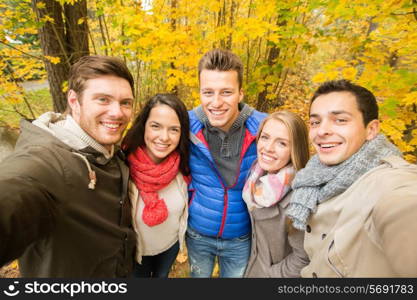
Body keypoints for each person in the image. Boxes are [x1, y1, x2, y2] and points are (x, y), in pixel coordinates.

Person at [0, 55, 136, 277]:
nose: (117, 112)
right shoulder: (46, 162)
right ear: (74, 101)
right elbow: (17, 191)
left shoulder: (110, 151)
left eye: (125, 103)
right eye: (103, 99)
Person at [286, 79, 417, 277]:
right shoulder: (312, 178)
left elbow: (403, 207)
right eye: (315, 122)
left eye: (340, 120)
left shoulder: (390, 184)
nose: (322, 131)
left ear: (371, 129)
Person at [186, 48, 267, 278]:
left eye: (226, 92)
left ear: (240, 93)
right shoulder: (184, 124)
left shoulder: (264, 128)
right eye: (208, 92)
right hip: (198, 234)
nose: (216, 102)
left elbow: (292, 166)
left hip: (241, 237)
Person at [122, 94, 190, 278]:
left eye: (174, 129)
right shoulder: (122, 166)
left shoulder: (183, 165)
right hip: (136, 256)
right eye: (156, 126)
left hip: (170, 247)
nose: (164, 137)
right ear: (143, 125)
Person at [243, 111, 310, 277]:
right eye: (265, 137)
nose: (268, 148)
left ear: (295, 149)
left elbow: (303, 257)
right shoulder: (257, 173)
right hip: (250, 266)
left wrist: (269, 275)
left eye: (281, 143)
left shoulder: (299, 199)